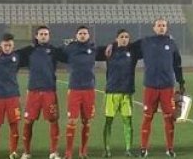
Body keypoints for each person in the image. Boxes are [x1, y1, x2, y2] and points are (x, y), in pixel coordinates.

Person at [122, 17, 184, 157]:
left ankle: (170, 148)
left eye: (163, 25)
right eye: (159, 25)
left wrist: (181, 82)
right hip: (150, 87)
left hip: (167, 88)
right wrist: (114, 46)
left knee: (169, 119)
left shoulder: (172, 43)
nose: (161, 27)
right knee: (147, 118)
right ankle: (144, 148)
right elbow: (128, 47)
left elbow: (177, 65)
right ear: (154, 28)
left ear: (166, 28)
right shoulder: (146, 42)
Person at [18, 25, 66, 159]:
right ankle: (26, 152)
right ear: (36, 36)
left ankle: (53, 152)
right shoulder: (29, 51)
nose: (44, 36)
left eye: (46, 34)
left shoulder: (54, 51)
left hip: (49, 91)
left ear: (49, 36)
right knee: (28, 121)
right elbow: (13, 55)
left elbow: (69, 56)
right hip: (33, 91)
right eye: (41, 34)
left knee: (53, 121)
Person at [63, 25, 108, 159]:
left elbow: (109, 52)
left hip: (89, 89)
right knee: (72, 120)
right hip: (75, 89)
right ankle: (69, 152)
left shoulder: (93, 48)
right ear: (76, 35)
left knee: (87, 121)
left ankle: (83, 151)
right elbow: (55, 53)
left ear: (89, 35)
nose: (83, 35)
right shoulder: (69, 48)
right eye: (80, 33)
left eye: (85, 33)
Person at [0, 33, 25, 158]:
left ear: (13, 45)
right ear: (0, 45)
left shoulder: (17, 56)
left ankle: (13, 152)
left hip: (12, 95)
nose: (7, 47)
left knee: (14, 124)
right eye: (5, 45)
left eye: (10, 45)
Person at [102, 29, 140, 157]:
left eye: (127, 37)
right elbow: (93, 51)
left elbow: (145, 45)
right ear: (116, 38)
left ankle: (128, 149)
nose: (124, 39)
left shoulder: (133, 52)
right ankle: (107, 150)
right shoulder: (109, 51)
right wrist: (111, 45)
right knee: (108, 121)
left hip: (127, 93)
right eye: (122, 37)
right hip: (111, 93)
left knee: (127, 122)